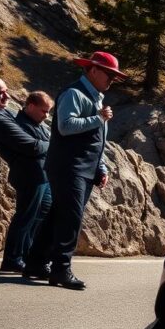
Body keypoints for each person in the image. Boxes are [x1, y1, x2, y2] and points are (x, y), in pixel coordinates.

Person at [25, 52, 123, 290]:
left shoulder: (94, 97)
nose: (112, 80)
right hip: (69, 167)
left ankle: (35, 263)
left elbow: (96, 140)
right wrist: (98, 118)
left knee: (58, 215)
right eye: (109, 74)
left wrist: (100, 166)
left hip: (81, 168)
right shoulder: (74, 94)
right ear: (93, 70)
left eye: (114, 76)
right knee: (70, 218)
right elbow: (65, 126)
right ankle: (60, 269)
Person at [0, 80, 53, 272]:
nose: (7, 96)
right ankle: (13, 259)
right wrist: (55, 144)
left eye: (6, 91)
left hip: (39, 173)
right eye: (1, 93)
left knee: (39, 215)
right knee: (26, 217)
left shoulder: (0, 111)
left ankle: (29, 255)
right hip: (28, 174)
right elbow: (32, 147)